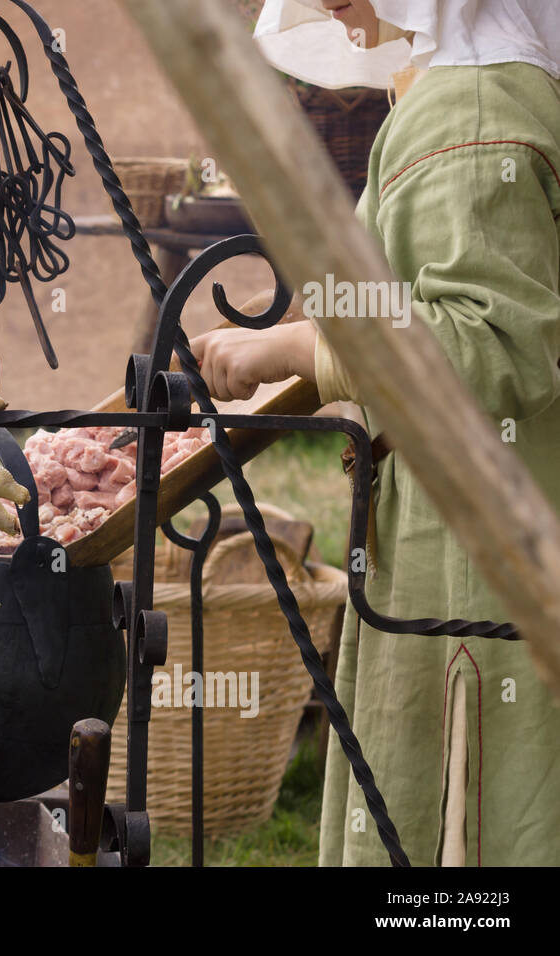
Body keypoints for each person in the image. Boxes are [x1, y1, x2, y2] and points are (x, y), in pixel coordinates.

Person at [191, 0, 560, 865]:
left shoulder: (472, 108)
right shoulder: (460, 91)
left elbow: (489, 351)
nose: (325, 3)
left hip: (474, 557)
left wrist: (296, 349)